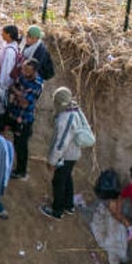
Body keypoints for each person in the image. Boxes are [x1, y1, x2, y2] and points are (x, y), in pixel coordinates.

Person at [40, 87, 84, 220]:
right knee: (67, 178)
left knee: (58, 181)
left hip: (66, 155)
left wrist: (52, 161)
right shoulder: (75, 109)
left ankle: (57, 211)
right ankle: (69, 205)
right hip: (74, 153)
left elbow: (61, 143)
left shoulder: (65, 117)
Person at [8, 59, 43, 180]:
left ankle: (21, 171)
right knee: (16, 142)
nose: (23, 72)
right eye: (23, 69)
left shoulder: (37, 84)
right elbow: (12, 86)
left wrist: (17, 93)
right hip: (15, 114)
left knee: (21, 146)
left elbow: (25, 104)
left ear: (34, 71)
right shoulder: (23, 76)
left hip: (24, 119)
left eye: (27, 70)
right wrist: (20, 93)